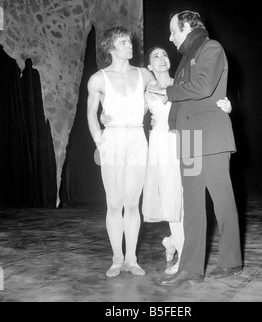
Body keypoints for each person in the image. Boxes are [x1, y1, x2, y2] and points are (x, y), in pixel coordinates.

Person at [147, 10, 243, 286]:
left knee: (222, 202)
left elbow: (201, 86)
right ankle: (190, 268)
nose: (170, 37)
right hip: (189, 139)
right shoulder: (186, 57)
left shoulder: (211, 48)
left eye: (173, 30)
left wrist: (167, 91)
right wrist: (175, 124)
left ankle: (231, 261)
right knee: (192, 206)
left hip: (211, 138)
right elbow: (183, 98)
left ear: (187, 26)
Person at [87, 26, 154, 278]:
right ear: (111, 48)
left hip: (138, 137)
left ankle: (131, 259)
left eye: (130, 41)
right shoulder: (98, 79)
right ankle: (116, 258)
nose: (131, 46)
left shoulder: (144, 74)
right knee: (114, 203)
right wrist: (99, 141)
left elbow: (164, 92)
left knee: (132, 203)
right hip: (112, 138)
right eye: (124, 42)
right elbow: (91, 113)